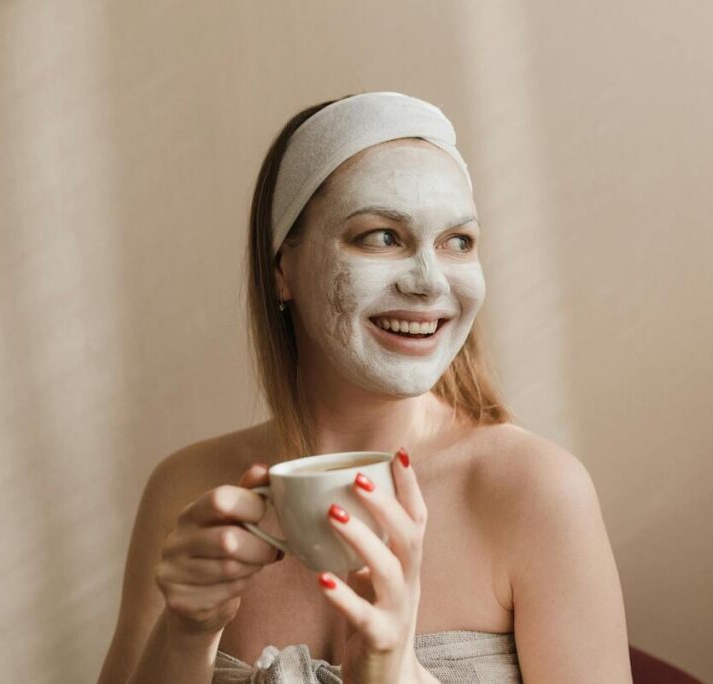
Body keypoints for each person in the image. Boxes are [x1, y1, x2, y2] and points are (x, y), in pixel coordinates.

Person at [97, 91, 632, 683]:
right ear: (282, 268)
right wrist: (187, 634)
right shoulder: (189, 491)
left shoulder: (534, 492)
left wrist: (397, 673)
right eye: (380, 236)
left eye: (459, 241)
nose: (430, 283)